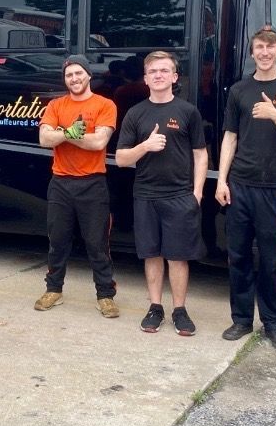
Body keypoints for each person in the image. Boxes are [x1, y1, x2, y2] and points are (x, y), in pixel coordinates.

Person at [216, 26, 276, 350]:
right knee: (238, 256)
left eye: (270, 47)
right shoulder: (240, 90)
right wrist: (221, 180)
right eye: (259, 47)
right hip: (240, 184)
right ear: (252, 52)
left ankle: (273, 323)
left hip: (274, 187)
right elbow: (230, 137)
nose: (265, 53)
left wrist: (273, 113)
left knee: (271, 261)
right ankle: (241, 320)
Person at [116, 51, 208, 336]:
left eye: (164, 70)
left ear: (174, 77)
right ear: (145, 78)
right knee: (152, 254)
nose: (158, 75)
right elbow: (120, 158)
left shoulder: (188, 111)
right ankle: (155, 308)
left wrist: (197, 193)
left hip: (180, 195)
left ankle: (179, 310)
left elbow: (201, 155)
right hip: (145, 194)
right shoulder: (136, 113)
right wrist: (145, 146)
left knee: (178, 256)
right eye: (153, 71)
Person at [35, 54, 120, 317]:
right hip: (60, 182)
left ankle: (105, 295)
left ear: (88, 74)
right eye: (69, 75)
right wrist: (73, 132)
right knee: (57, 240)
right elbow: (43, 139)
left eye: (78, 73)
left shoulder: (105, 105)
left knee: (97, 243)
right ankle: (54, 290)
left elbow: (98, 143)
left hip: (93, 184)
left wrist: (62, 134)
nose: (74, 78)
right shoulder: (56, 105)